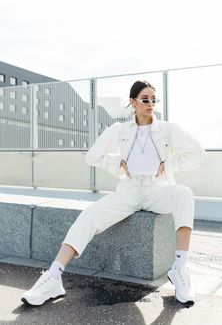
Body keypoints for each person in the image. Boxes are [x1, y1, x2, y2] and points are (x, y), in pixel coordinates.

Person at [21, 80, 208, 306]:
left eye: (154, 100)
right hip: (128, 192)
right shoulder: (119, 131)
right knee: (90, 215)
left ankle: (180, 269)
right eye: (145, 99)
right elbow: (93, 156)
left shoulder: (168, 129)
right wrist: (116, 163)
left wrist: (168, 165)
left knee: (184, 194)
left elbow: (198, 154)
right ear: (133, 102)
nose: (151, 104)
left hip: (157, 190)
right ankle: (53, 277)